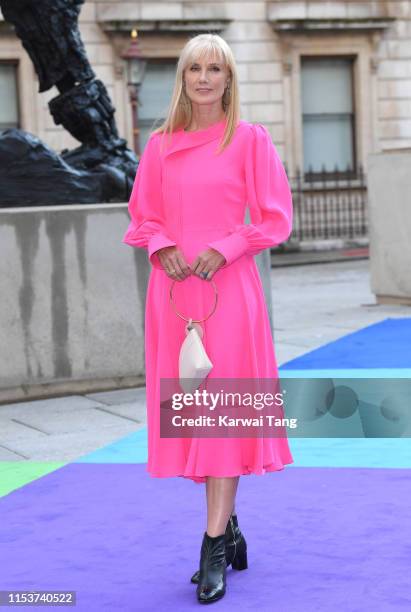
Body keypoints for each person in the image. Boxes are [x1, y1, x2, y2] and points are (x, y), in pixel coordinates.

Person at [122, 33, 294, 604]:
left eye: (214, 68)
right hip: (174, 298)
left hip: (229, 292)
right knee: (199, 423)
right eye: (194, 68)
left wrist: (229, 245)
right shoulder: (159, 145)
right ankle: (233, 529)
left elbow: (275, 219)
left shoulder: (248, 140)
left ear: (228, 78)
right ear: (183, 77)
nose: (203, 78)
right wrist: (161, 244)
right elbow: (143, 216)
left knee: (223, 422)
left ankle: (213, 546)